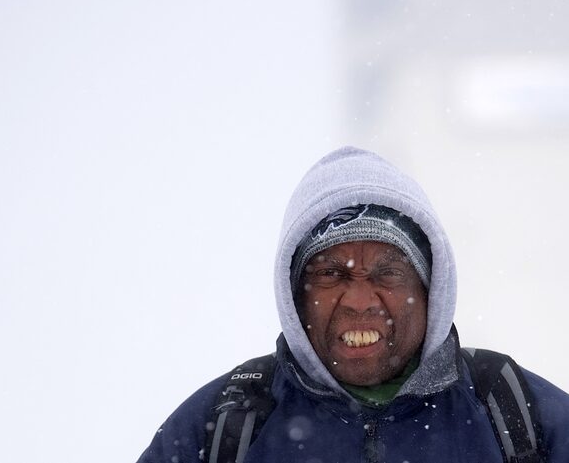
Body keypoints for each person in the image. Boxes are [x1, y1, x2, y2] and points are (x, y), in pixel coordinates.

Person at [137, 146, 569, 463]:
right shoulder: (226, 425)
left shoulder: (513, 411)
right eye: (330, 273)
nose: (360, 302)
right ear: (295, 295)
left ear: (432, 288)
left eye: (388, 273)